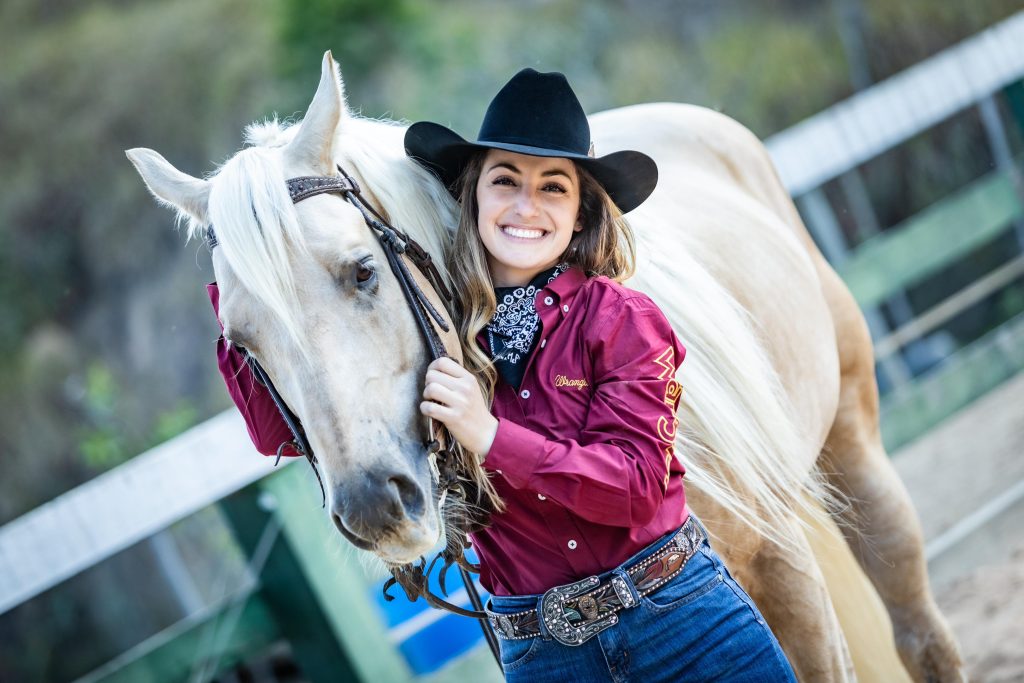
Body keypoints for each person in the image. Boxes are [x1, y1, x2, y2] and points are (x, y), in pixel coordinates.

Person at [210, 69, 797, 682]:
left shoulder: (623, 322)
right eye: (505, 181)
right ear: (474, 194)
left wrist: (490, 436)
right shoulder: (432, 330)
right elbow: (274, 433)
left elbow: (635, 488)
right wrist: (246, 265)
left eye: (553, 188)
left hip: (681, 625)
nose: (525, 207)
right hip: (544, 657)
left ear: (580, 211)